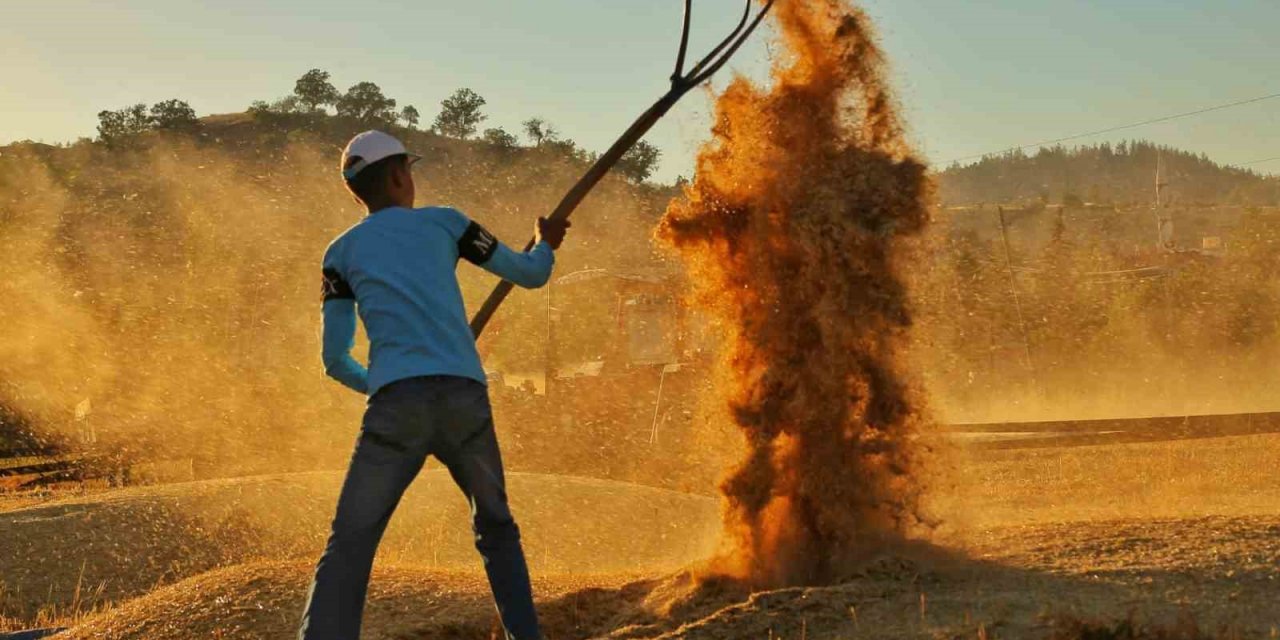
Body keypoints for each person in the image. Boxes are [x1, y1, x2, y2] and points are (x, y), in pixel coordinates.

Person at [299, 130, 567, 640]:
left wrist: (384, 382)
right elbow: (530, 275)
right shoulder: (448, 223)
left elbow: (335, 360)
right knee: (496, 530)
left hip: (396, 409)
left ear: (356, 192)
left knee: (350, 544)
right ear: (400, 175)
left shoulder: (340, 253)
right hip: (464, 401)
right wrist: (547, 243)